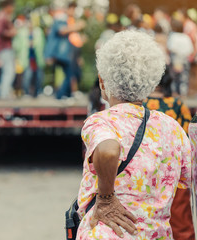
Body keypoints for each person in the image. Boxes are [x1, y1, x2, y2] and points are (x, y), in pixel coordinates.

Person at [77, 30, 191, 239]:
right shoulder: (171, 128)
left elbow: (109, 150)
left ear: (103, 82)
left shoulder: (102, 121)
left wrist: (106, 198)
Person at [143, 67, 195, 240]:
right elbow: (188, 140)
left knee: (146, 221)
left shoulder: (138, 106)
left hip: (143, 171)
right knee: (181, 223)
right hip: (174, 171)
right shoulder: (177, 104)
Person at [45, 3, 85, 99]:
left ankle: (64, 95)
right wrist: (77, 26)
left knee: (72, 74)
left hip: (69, 52)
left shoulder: (70, 20)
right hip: (61, 53)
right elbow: (62, 30)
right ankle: (61, 95)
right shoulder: (61, 18)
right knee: (69, 74)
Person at [13, 18, 45, 97]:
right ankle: (26, 93)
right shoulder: (22, 32)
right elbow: (16, 45)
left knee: (39, 77)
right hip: (27, 59)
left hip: (38, 59)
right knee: (27, 76)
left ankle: (37, 93)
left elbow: (43, 44)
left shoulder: (38, 31)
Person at [0, 0, 17, 99]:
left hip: (5, 48)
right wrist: (12, 32)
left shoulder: (3, 17)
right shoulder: (2, 17)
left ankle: (4, 93)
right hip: (5, 48)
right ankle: (4, 94)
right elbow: (1, 32)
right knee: (9, 71)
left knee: (8, 71)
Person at [167, 19, 194, 97]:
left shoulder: (173, 36)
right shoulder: (186, 37)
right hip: (185, 59)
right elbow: (190, 50)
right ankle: (183, 94)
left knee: (174, 78)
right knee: (184, 78)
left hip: (175, 59)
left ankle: (174, 94)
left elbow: (170, 48)